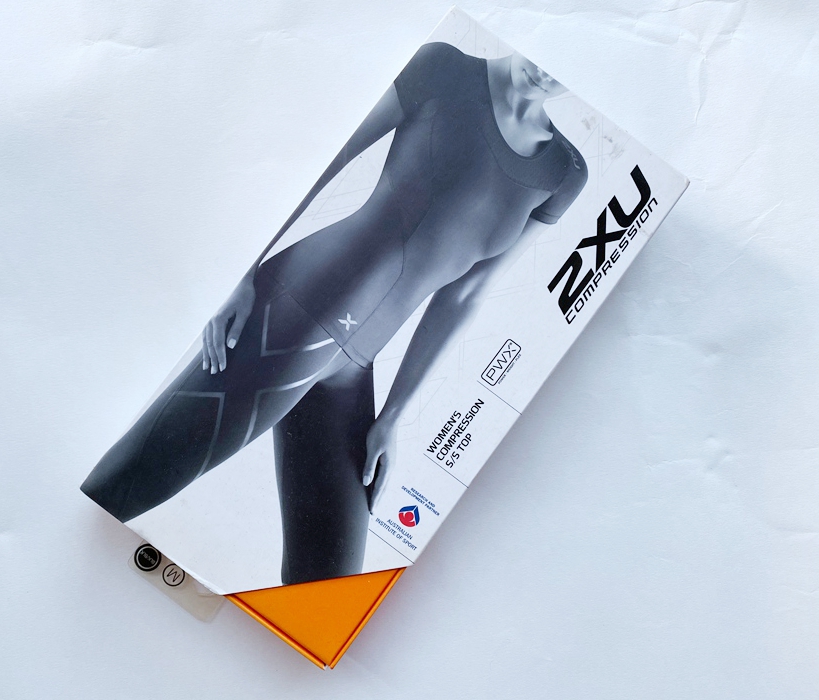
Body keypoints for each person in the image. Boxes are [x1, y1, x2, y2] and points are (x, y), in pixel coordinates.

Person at [81, 42, 587, 585]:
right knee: (118, 494)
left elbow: (464, 296)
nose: (548, 69)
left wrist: (393, 416)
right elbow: (330, 157)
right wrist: (243, 272)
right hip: (299, 306)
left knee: (325, 590)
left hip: (355, 369)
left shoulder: (563, 172)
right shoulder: (445, 67)